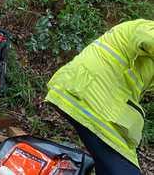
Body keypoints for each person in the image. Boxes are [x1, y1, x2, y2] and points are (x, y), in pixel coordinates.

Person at [46, 19, 154, 175]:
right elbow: (147, 39)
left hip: (90, 97)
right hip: (88, 97)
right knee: (125, 171)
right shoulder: (146, 28)